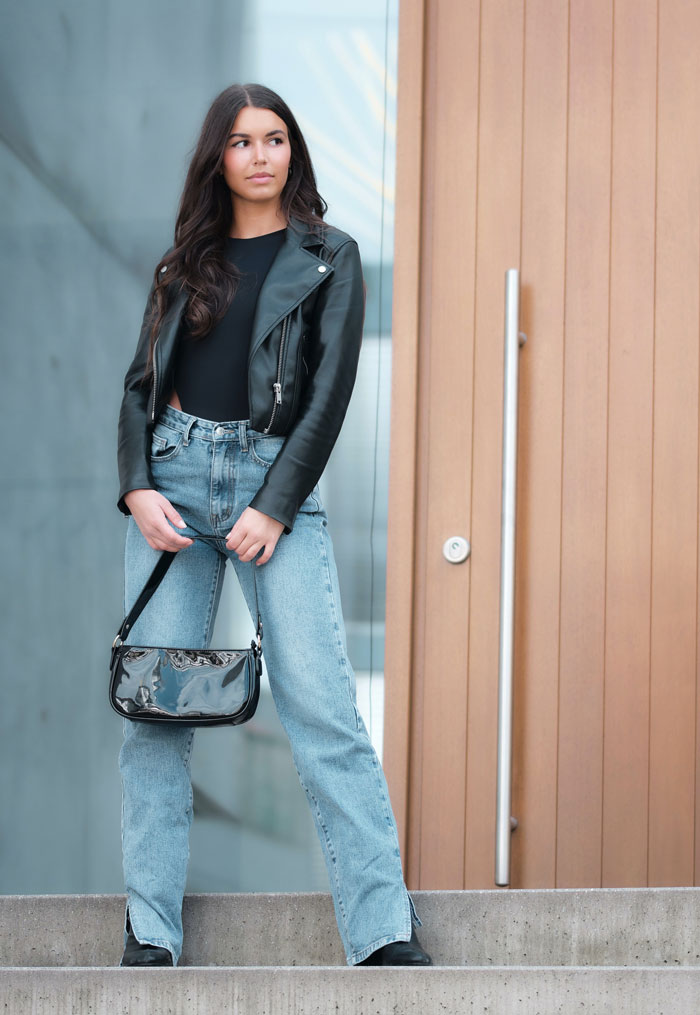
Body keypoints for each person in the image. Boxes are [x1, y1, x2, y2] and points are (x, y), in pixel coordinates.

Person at [116, 82, 431, 969]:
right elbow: (141, 388)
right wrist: (138, 488)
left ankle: (381, 931)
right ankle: (150, 933)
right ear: (219, 156)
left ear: (293, 152)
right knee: (153, 711)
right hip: (171, 489)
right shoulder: (183, 264)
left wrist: (274, 504)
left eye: (276, 139)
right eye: (243, 141)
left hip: (271, 487)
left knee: (324, 707)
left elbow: (328, 398)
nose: (261, 155)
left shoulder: (332, 257)